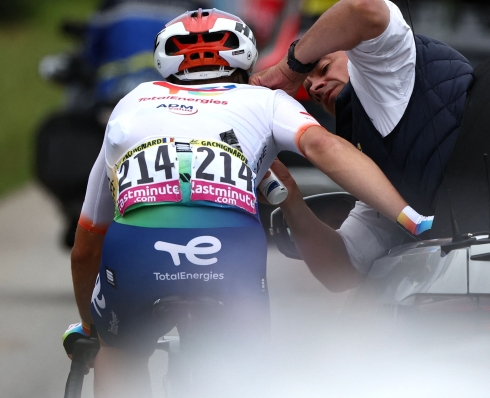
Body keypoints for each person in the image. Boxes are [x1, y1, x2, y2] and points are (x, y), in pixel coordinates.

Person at [62, 8, 429, 397]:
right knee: (243, 363)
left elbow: (86, 244)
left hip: (137, 251)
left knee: (119, 352)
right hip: (228, 249)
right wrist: (408, 216)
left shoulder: (134, 101)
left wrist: (91, 328)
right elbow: (323, 146)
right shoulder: (263, 100)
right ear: (246, 57)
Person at [250, 0, 474, 291]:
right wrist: (290, 196)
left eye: (324, 67)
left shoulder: (387, 71)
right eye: (310, 90)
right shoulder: (378, 165)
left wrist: (292, 66)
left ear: (352, 48)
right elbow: (342, 271)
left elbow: (363, 8)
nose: (315, 86)